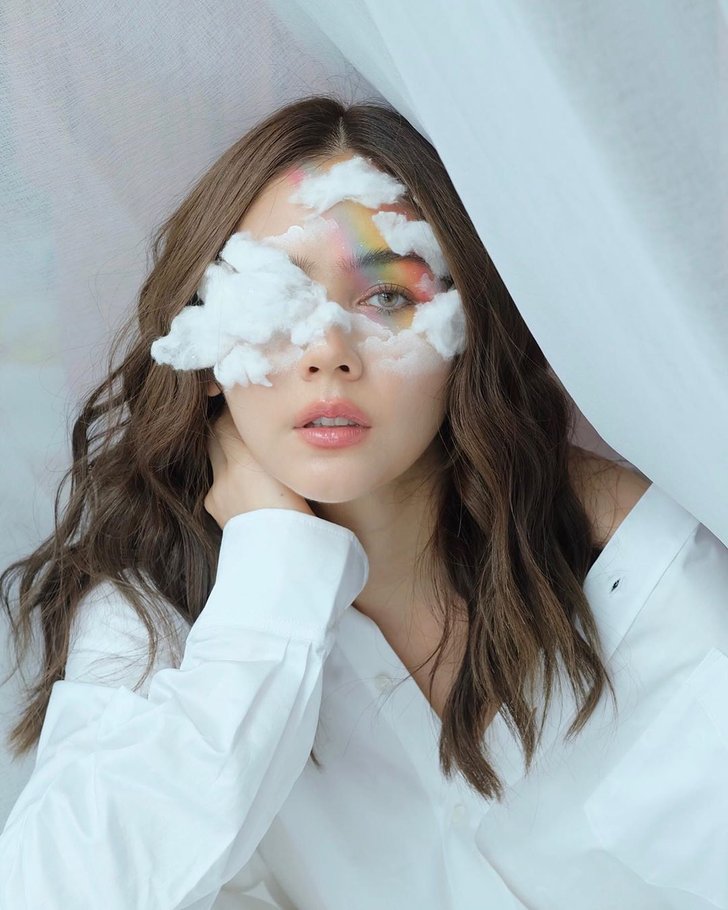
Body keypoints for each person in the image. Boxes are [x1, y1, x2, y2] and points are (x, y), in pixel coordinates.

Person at [0, 95, 725, 910]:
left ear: (467, 334)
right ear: (203, 352)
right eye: (274, 295)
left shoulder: (626, 566)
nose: (328, 353)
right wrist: (271, 576)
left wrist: (615, 504)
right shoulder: (156, 621)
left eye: (387, 299)